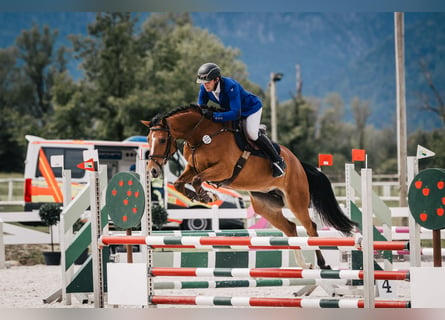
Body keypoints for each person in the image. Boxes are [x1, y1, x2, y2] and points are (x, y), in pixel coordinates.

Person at [196, 62, 286, 178]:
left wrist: (214, 116)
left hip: (250, 109)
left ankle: (278, 161)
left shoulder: (230, 86)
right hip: (230, 110)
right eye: (203, 83)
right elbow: (201, 108)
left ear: (217, 79)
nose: (205, 85)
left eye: (208, 82)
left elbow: (235, 114)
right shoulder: (204, 88)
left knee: (252, 134)